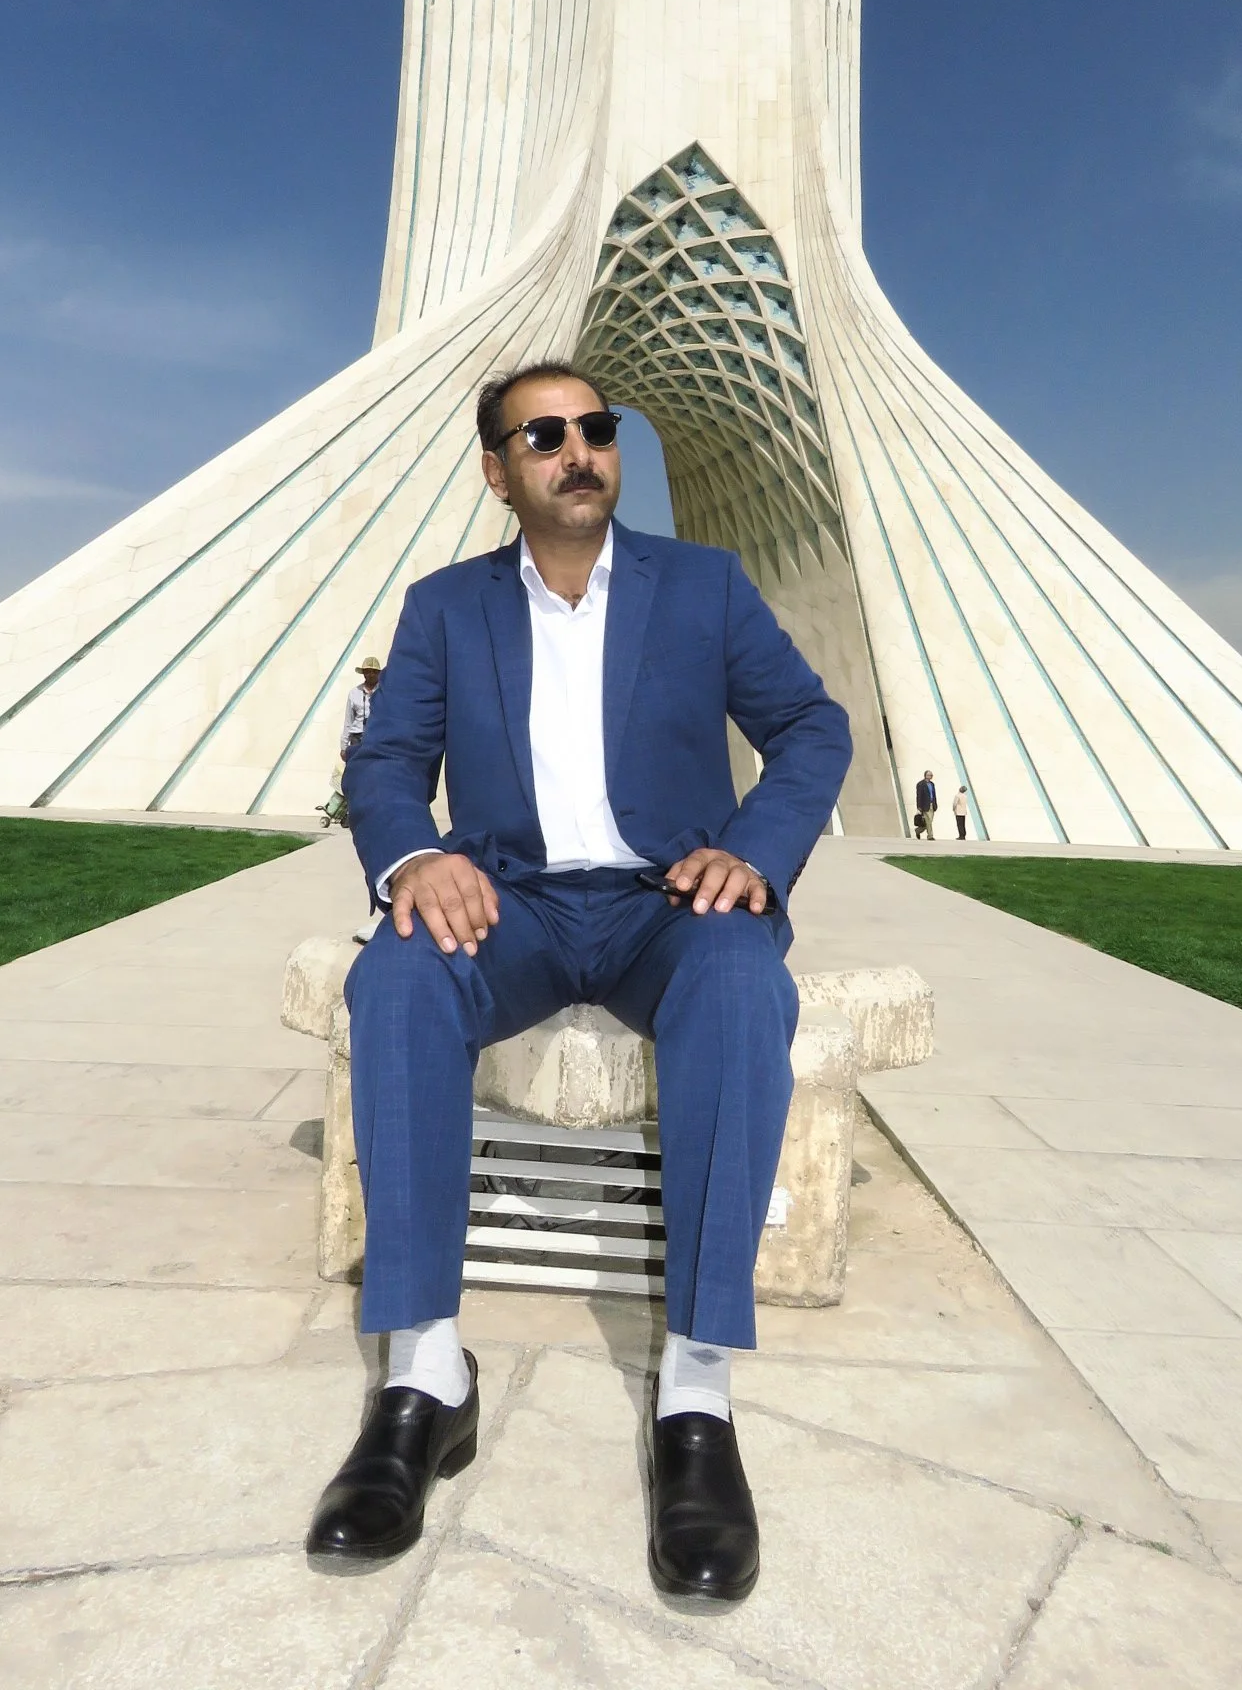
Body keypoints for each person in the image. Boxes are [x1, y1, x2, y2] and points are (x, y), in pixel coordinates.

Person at [306, 361, 852, 1603]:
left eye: (595, 429)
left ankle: (696, 1393)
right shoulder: (447, 606)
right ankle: (424, 1376)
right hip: (515, 902)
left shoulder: (703, 585)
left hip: (669, 902)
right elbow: (385, 760)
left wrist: (755, 852)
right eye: (543, 434)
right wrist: (416, 857)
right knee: (398, 978)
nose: (577, 450)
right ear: (499, 471)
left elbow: (812, 725)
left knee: (740, 983)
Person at [339, 657, 383, 767]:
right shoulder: (354, 693)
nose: (371, 675)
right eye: (368, 671)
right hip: (357, 738)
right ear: (363, 673)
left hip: (378, 737)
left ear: (379, 673)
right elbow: (348, 721)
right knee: (355, 769)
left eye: (374, 672)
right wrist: (344, 747)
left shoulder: (384, 692)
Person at [915, 770, 937, 840]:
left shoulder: (932, 784)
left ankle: (918, 830)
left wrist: (935, 804)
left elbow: (934, 795)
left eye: (931, 775)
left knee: (929, 821)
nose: (930, 776)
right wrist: (919, 807)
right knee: (928, 821)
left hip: (932, 804)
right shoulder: (920, 784)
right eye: (929, 775)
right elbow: (919, 796)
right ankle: (930, 836)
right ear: (925, 775)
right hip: (925, 805)